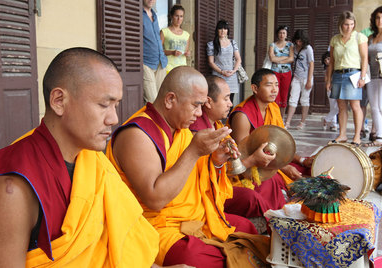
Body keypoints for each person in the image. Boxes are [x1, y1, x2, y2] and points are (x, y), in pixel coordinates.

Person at [0, 48, 160, 267]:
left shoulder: (94, 162)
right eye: (104, 105)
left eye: (116, 105)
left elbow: (123, 241)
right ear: (59, 100)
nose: (114, 118)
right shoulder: (11, 189)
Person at [106, 66, 270, 267]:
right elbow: (155, 199)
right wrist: (194, 152)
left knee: (247, 230)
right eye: (196, 105)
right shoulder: (138, 135)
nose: (200, 113)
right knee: (208, 258)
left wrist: (216, 161)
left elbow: (198, 182)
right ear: (170, 100)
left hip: (194, 216)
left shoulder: (180, 130)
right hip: (155, 226)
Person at [189, 76, 276, 222]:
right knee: (251, 198)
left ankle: (277, 220)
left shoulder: (217, 125)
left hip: (226, 182)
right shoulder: (198, 133)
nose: (230, 104)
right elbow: (207, 179)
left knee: (270, 180)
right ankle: (275, 226)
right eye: (226, 99)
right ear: (209, 102)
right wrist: (252, 160)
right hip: (208, 193)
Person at [227, 68, 313, 210]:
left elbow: (281, 145)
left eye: (277, 85)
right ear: (255, 88)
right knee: (280, 181)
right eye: (268, 85)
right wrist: (283, 167)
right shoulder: (242, 116)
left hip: (271, 161)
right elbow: (244, 156)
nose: (274, 90)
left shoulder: (273, 107)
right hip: (251, 168)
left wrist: (302, 160)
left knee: (307, 169)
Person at [326, 11, 368, 146]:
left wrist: (362, 77)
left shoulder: (359, 37)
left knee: (355, 106)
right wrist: (328, 79)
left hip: (353, 75)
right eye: (346, 24)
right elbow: (331, 61)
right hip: (338, 74)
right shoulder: (335, 39)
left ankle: (357, 136)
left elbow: (364, 58)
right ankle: (342, 134)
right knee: (341, 106)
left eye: (351, 24)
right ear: (341, 25)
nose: (349, 27)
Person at [284, 29, 314, 130]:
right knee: (292, 99)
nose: (298, 43)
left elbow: (311, 64)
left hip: (306, 77)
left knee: (304, 100)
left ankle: (302, 122)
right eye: (297, 40)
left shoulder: (308, 49)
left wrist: (309, 80)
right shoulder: (293, 47)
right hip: (296, 77)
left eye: (300, 41)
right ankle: (287, 122)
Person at [207, 20, 242, 103]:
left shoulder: (233, 43)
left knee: (230, 102)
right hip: (218, 76)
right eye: (220, 29)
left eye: (225, 29)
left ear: (228, 31)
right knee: (218, 101)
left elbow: (238, 59)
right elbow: (211, 62)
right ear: (217, 30)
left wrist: (234, 71)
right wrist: (222, 72)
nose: (223, 31)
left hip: (231, 76)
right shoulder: (211, 44)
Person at [143, 0, 168, 103]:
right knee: (152, 101)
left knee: (161, 100)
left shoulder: (154, 15)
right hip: (146, 62)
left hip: (160, 62)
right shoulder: (137, 14)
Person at [364, 6, 382, 147]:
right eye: (377, 17)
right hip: (372, 75)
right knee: (374, 107)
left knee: (381, 106)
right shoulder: (371, 38)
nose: (380, 20)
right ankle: (380, 137)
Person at [268, 25, 294, 117]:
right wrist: (284, 58)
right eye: (280, 33)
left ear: (286, 34)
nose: (282, 35)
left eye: (284, 33)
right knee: (275, 93)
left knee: (284, 94)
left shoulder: (290, 45)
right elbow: (272, 58)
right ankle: (274, 116)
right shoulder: (272, 45)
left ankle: (281, 117)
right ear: (277, 34)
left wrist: (278, 59)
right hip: (275, 72)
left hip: (286, 73)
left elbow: (291, 58)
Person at [160, 4, 190, 73]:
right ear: (171, 16)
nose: (179, 19)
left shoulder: (186, 35)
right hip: (168, 68)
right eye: (176, 16)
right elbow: (158, 51)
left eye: (181, 16)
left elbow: (185, 52)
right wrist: (172, 52)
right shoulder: (164, 31)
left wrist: (187, 53)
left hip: (183, 69)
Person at [321, 51, 339, 131]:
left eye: (328, 59)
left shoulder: (337, 67)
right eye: (325, 61)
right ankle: (333, 123)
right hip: (330, 89)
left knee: (336, 107)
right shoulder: (328, 69)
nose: (327, 62)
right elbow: (325, 79)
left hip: (337, 87)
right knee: (334, 107)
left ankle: (328, 120)